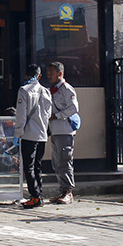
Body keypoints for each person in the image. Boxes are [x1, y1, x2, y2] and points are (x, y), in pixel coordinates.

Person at [16, 64, 52, 209]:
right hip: (42, 134)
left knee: (28, 167)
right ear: (39, 76)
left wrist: (18, 133)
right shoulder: (46, 92)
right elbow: (48, 114)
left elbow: (21, 115)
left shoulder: (24, 90)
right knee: (37, 166)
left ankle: (35, 197)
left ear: (26, 76)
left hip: (29, 134)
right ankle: (39, 194)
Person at [46, 61, 79, 205]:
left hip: (65, 130)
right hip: (55, 130)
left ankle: (68, 192)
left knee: (65, 161)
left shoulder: (67, 89)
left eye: (51, 73)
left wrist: (57, 116)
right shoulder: (51, 90)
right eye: (48, 73)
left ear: (60, 73)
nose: (49, 76)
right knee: (57, 162)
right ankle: (62, 190)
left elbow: (73, 108)